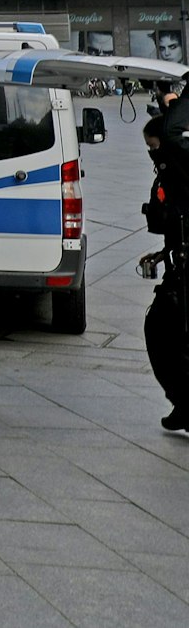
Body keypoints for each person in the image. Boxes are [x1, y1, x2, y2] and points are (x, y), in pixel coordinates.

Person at [140, 84, 189, 435]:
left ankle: (185, 403)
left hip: (185, 273)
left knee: (166, 334)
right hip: (177, 265)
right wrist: (161, 254)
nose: (152, 154)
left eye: (154, 147)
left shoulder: (182, 165)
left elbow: (172, 134)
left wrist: (179, 99)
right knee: (162, 333)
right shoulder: (169, 174)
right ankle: (183, 403)